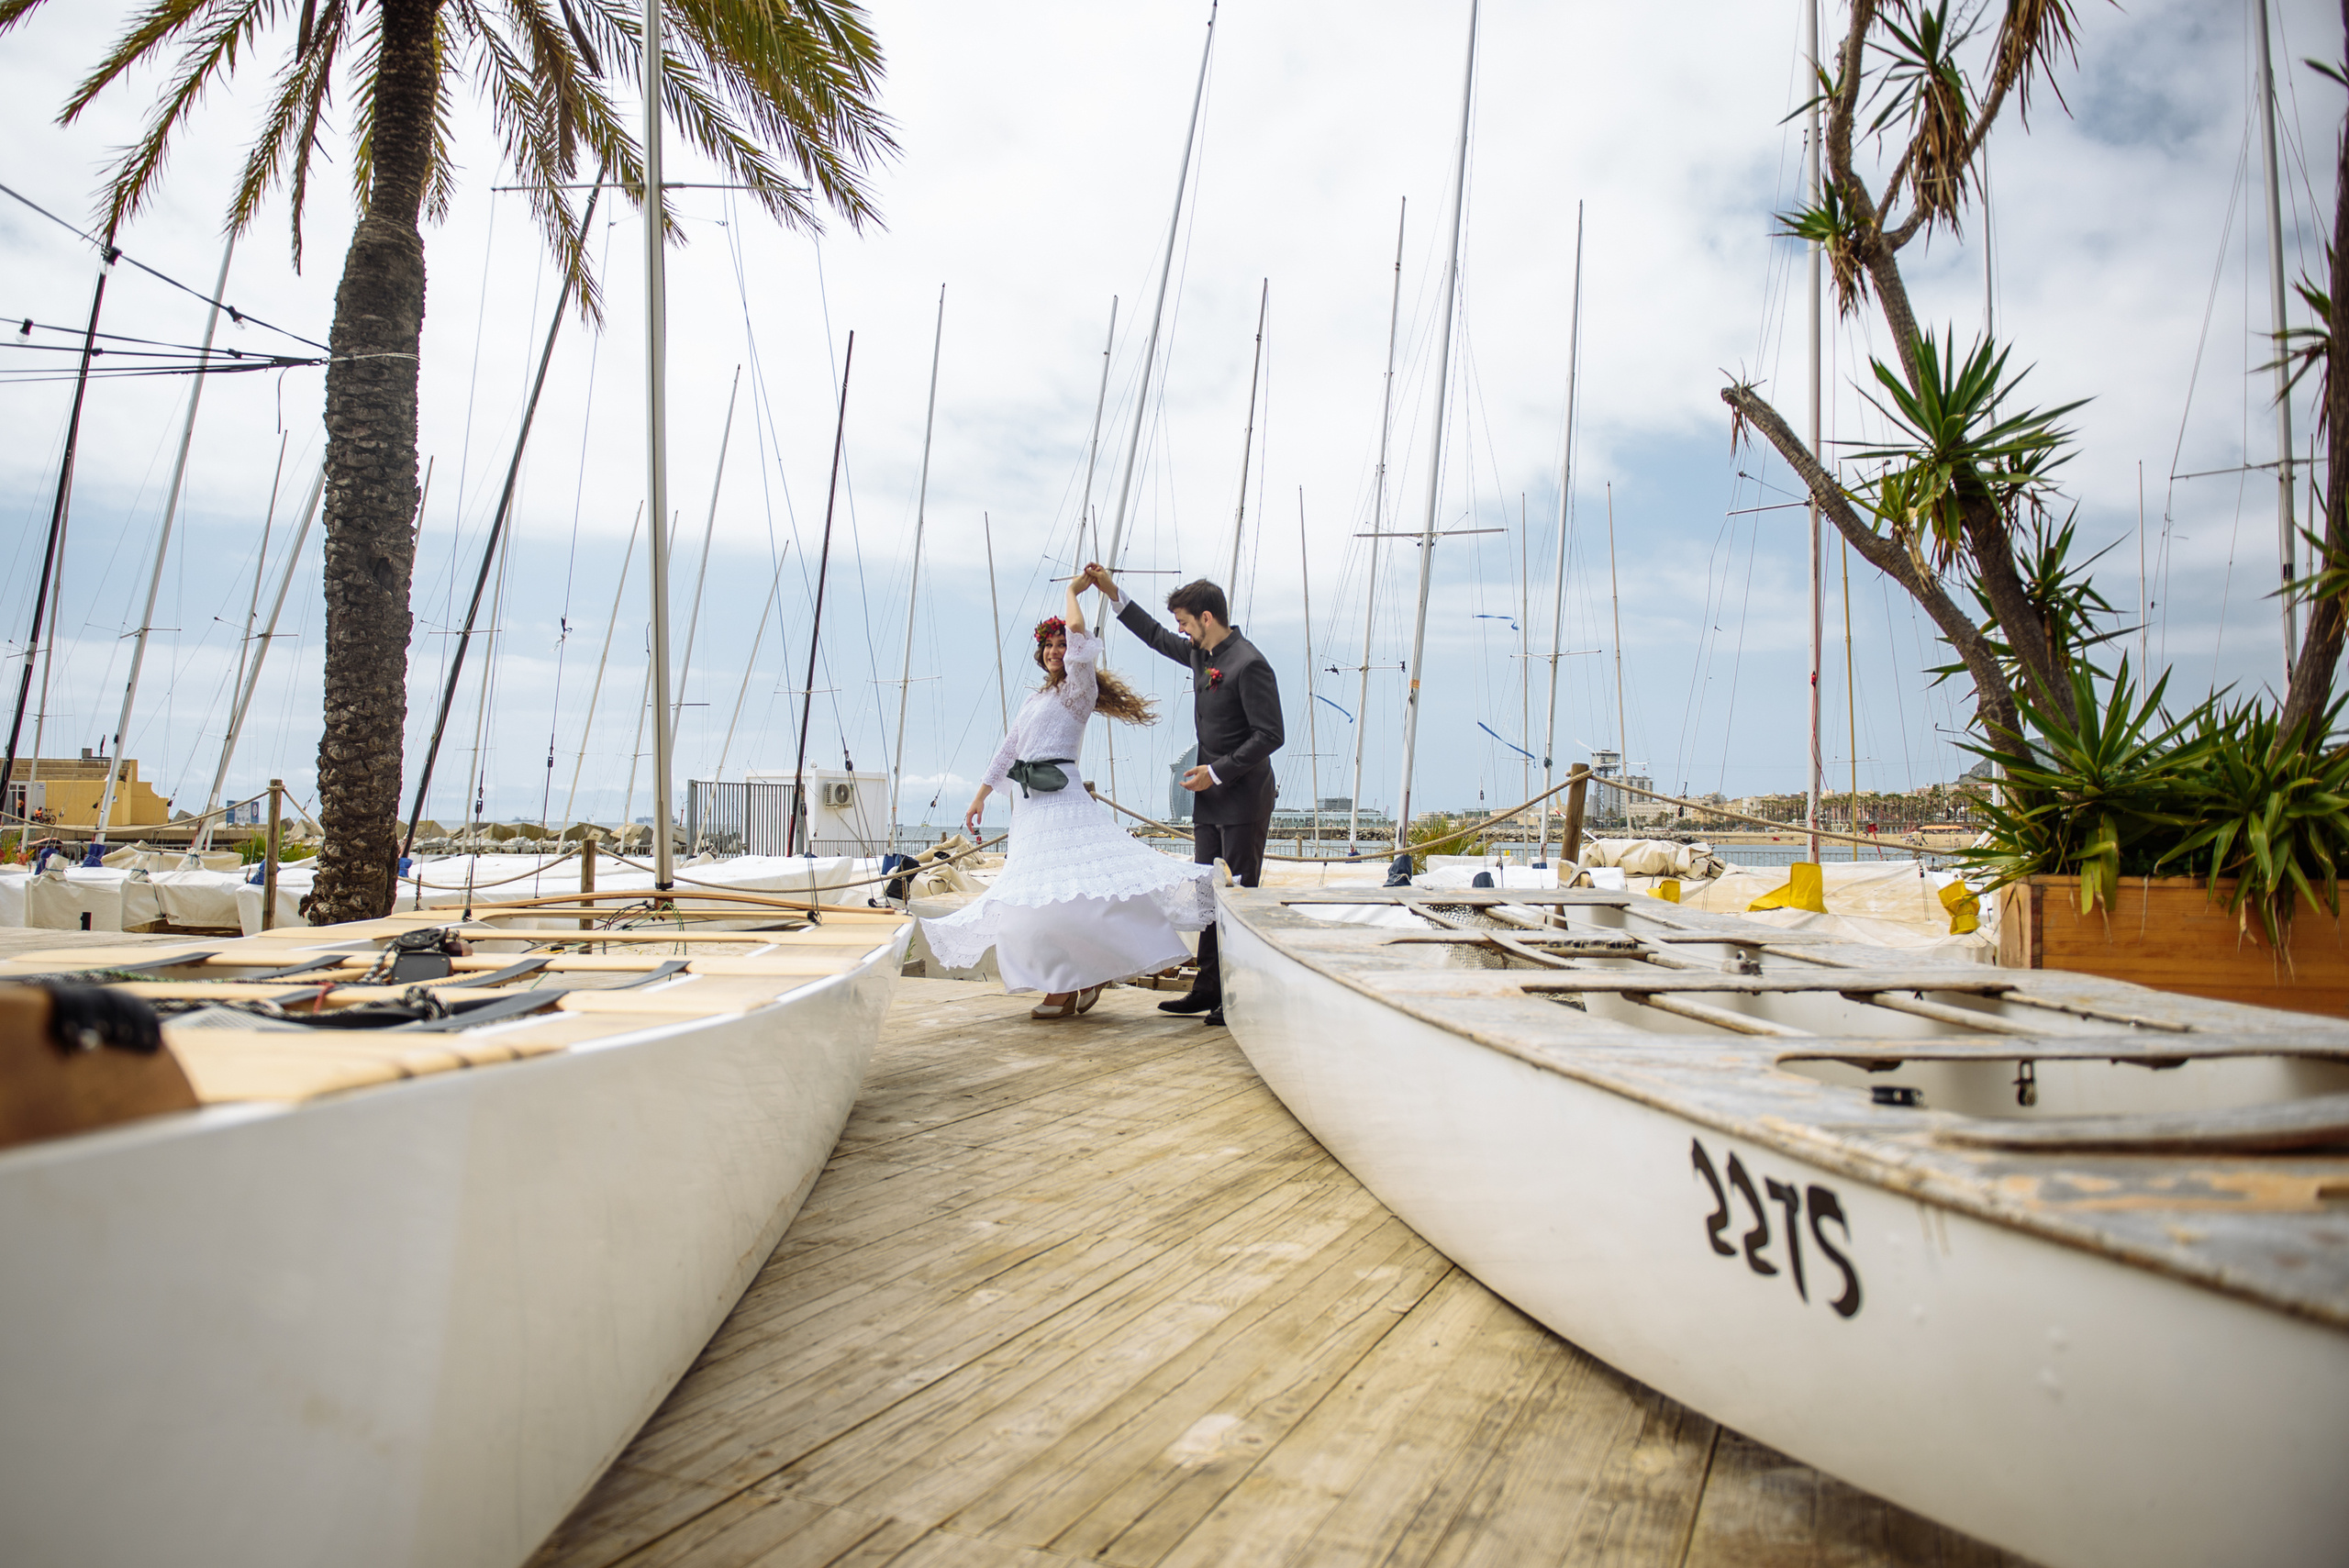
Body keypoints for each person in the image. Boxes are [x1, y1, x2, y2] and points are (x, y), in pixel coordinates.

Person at [922, 576, 1213, 1019]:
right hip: (1030, 808)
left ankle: (1067, 984)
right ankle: (1077, 979)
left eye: (1061, 643)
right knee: (1035, 900)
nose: (1056, 650)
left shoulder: (1080, 690)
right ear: (1040, 653)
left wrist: (1074, 593)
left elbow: (1080, 637)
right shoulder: (1034, 699)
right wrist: (980, 795)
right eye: (1049, 645)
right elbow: (1008, 748)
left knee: (1074, 897)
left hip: (1063, 800)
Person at [1082, 563, 1282, 1029]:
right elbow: (1152, 634)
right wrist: (1114, 594)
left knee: (1237, 899)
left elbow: (1270, 734)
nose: (1181, 631)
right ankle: (1206, 988)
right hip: (1208, 799)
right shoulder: (1200, 654)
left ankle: (1235, 997)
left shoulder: (1250, 663)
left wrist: (1216, 771)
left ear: (1207, 618)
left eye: (1185, 623)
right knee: (1207, 897)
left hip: (1244, 798)